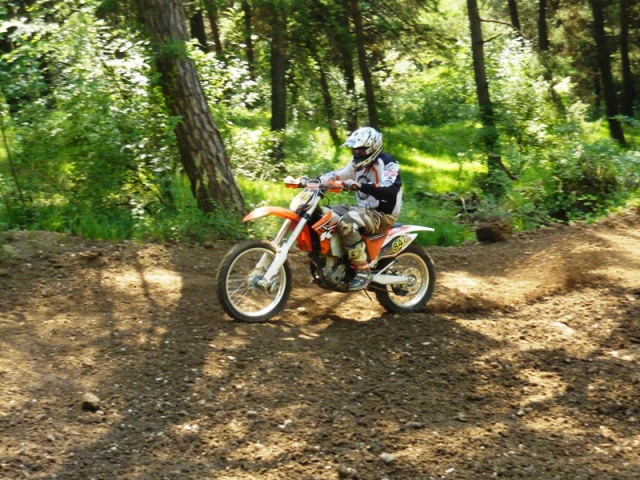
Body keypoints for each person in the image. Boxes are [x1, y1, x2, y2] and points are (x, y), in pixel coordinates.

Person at [318, 127, 402, 291]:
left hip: (382, 215)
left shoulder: (387, 163)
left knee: (347, 222)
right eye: (355, 149)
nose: (357, 152)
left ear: (373, 148)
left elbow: (390, 188)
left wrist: (360, 186)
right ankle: (334, 259)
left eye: (361, 150)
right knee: (325, 214)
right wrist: (315, 180)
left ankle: (363, 270)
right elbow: (338, 174)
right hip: (362, 210)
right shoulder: (356, 164)